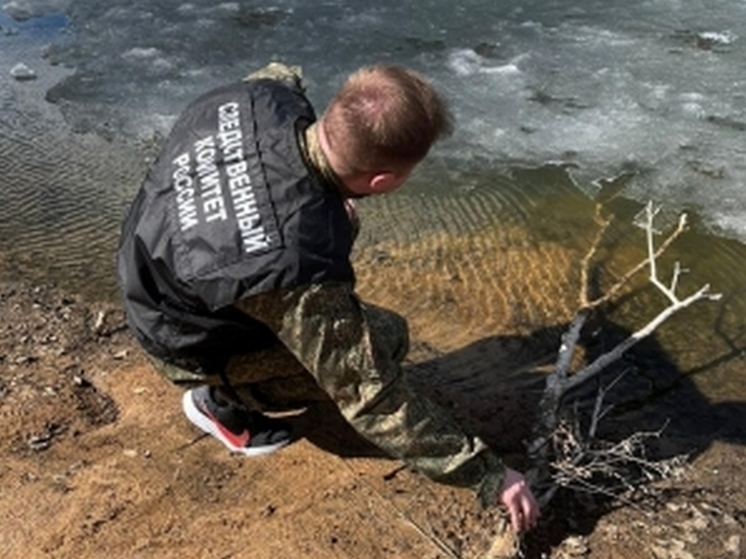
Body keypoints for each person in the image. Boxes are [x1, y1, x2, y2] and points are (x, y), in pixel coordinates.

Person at [117, 62, 539, 532]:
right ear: (382, 181)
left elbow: (285, 74)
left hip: (150, 257)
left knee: (329, 252)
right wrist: (488, 475)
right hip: (177, 334)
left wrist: (322, 208)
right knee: (385, 338)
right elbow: (371, 395)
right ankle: (223, 405)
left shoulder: (259, 95)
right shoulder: (297, 269)